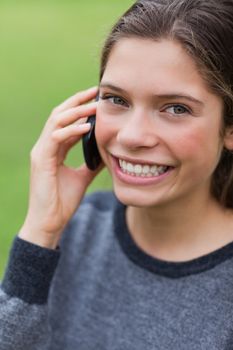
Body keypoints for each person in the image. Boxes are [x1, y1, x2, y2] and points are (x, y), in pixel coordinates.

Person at [1, 0, 233, 348]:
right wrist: (40, 233)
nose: (131, 136)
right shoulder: (75, 229)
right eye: (117, 100)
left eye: (175, 108)